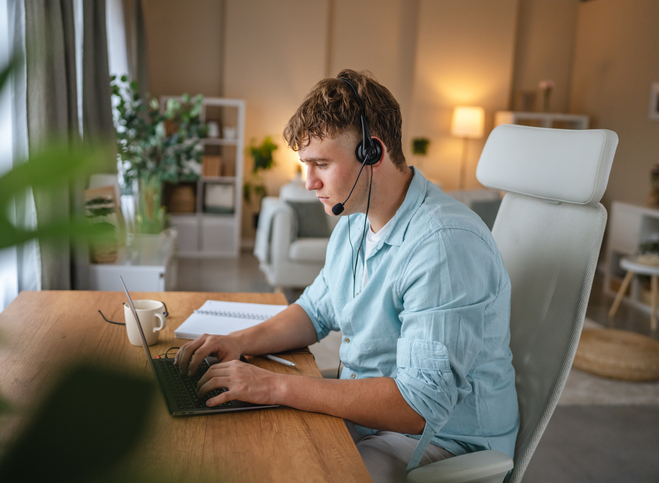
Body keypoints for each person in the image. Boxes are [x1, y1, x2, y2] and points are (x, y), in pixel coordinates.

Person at [176, 69, 519, 482]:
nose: (309, 182)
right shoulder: (355, 223)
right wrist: (237, 343)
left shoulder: (443, 246)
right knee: (245, 446)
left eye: (321, 163)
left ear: (372, 153)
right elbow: (315, 311)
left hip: (442, 441)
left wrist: (274, 386)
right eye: (306, 165)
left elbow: (417, 405)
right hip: (372, 418)